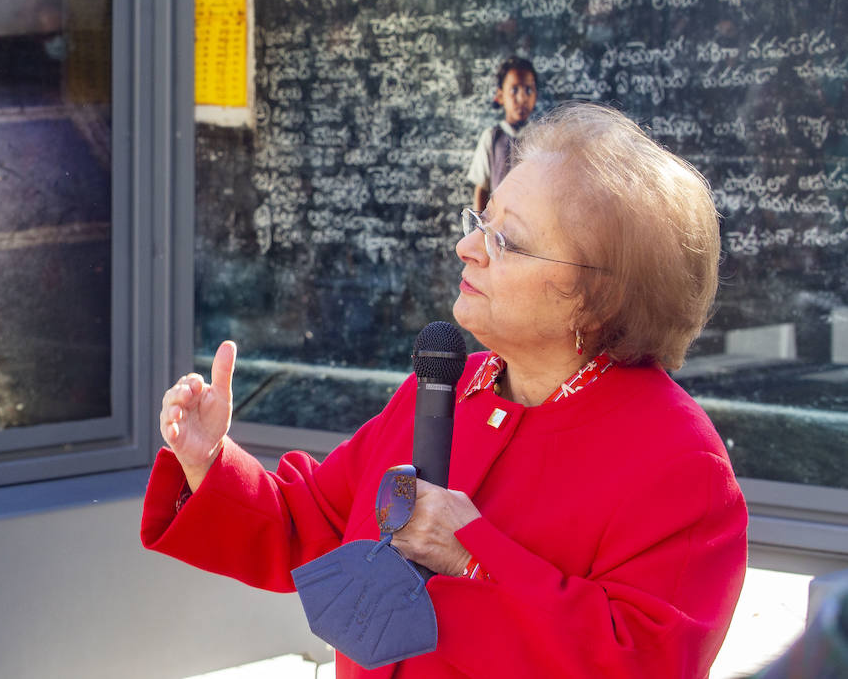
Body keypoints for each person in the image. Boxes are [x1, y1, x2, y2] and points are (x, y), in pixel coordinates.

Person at [142, 102, 748, 678]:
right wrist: (208, 461)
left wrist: (472, 555)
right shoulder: (452, 387)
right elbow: (314, 525)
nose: (467, 248)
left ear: (600, 299)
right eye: (479, 222)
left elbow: (641, 663)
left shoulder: (676, 462)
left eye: (504, 242)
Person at [467, 55, 537, 211]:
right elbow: (482, 189)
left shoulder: (541, 137)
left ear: (536, 95)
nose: (522, 98)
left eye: (529, 90)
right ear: (500, 96)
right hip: (499, 224)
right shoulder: (491, 137)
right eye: (514, 90)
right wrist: (480, 228)